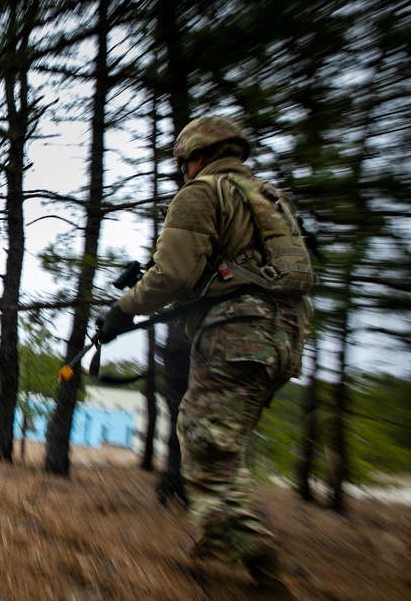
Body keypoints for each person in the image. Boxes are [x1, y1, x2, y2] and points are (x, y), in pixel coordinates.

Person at [97, 116, 312, 599]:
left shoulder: (201, 192)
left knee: (203, 440)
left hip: (240, 334)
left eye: (182, 164)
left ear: (193, 156)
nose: (181, 172)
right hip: (288, 336)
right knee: (225, 442)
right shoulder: (269, 197)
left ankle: (262, 567)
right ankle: (219, 538)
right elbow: (233, 269)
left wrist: (122, 310)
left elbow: (173, 274)